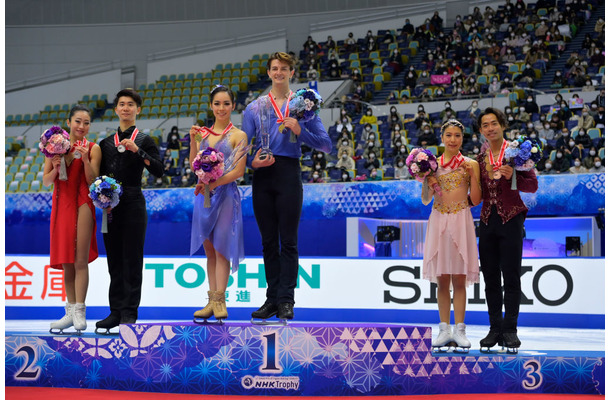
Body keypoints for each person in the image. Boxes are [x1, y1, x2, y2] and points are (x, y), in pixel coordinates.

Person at [242, 52, 331, 322]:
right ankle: (271, 300)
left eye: (284, 69)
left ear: (292, 73)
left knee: (288, 242)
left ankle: (286, 301)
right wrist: (251, 163)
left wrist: (300, 130)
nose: (279, 73)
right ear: (269, 73)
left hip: (289, 173)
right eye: (274, 68)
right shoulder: (253, 108)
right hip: (263, 176)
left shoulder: (303, 105)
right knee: (268, 242)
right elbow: (242, 148)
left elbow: (326, 144)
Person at [96, 88, 164, 333]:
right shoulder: (104, 144)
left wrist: (138, 151)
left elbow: (159, 170)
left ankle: (129, 313)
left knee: (132, 260)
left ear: (138, 110)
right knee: (114, 260)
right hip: (110, 205)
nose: (126, 108)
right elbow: (96, 175)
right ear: (116, 110)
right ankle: (115, 311)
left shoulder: (145, 140)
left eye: (130, 104)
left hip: (134, 201)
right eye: (122, 104)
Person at [476, 108, 538, 353]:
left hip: (511, 219)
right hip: (486, 221)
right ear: (481, 131)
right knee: (490, 278)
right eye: (485, 125)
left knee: (511, 277)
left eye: (494, 123)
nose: (490, 128)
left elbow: (532, 185)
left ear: (502, 125)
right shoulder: (479, 160)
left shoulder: (516, 153)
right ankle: (494, 328)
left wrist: (515, 175)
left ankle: (510, 330)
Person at [189, 86, 248, 323]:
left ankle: (220, 300)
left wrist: (213, 185)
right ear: (211, 106)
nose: (221, 108)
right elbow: (193, 164)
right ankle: (211, 301)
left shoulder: (239, 135)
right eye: (217, 103)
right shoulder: (202, 134)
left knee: (222, 248)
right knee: (209, 251)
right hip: (203, 197)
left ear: (233, 106)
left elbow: (239, 171)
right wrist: (194, 142)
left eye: (226, 103)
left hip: (225, 196)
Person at [422, 119, 481, 351]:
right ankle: (443, 329)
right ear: (442, 137)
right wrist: (428, 181)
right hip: (438, 220)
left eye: (457, 135)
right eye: (448, 135)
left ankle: (460, 330)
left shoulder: (471, 164)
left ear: (462, 138)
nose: (453, 139)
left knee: (459, 278)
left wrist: (472, 176)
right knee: (442, 278)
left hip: (461, 220)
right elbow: (426, 199)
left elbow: (476, 200)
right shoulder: (430, 164)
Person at [43, 105, 101, 334]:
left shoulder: (93, 148)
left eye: (86, 123)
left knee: (79, 260)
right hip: (61, 204)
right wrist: (56, 167)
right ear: (69, 122)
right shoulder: (54, 147)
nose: (82, 126)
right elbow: (47, 181)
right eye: (78, 121)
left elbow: (93, 180)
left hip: (83, 202)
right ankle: (69, 311)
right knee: (67, 261)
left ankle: (80, 310)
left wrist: (86, 160)